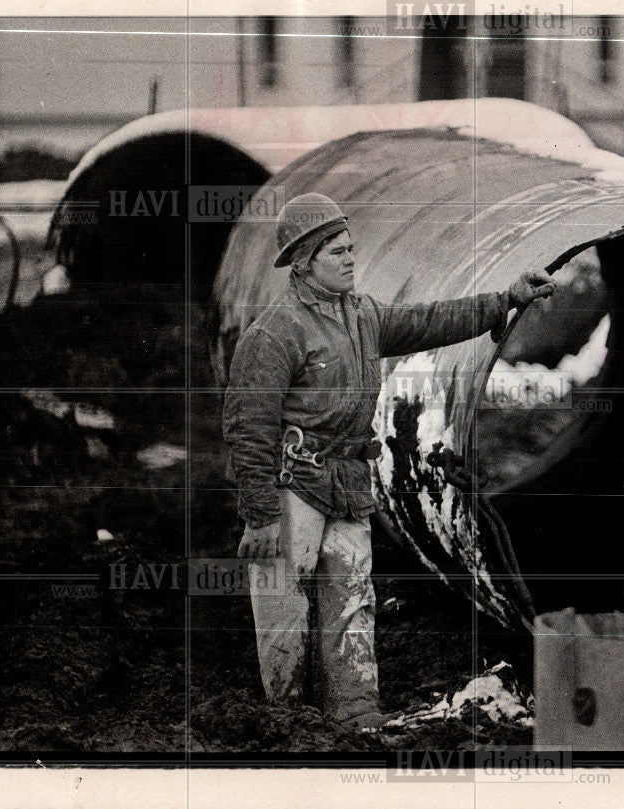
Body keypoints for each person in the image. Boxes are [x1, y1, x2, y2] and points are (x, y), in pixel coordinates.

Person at [222, 192, 556, 730]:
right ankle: (285, 720)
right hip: (293, 484)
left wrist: (505, 300)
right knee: (285, 608)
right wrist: (260, 515)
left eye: (351, 247)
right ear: (304, 262)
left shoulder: (364, 317)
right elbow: (248, 428)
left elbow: (431, 321)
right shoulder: (274, 333)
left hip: (348, 481)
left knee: (353, 597)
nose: (350, 258)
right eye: (336, 251)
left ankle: (355, 712)